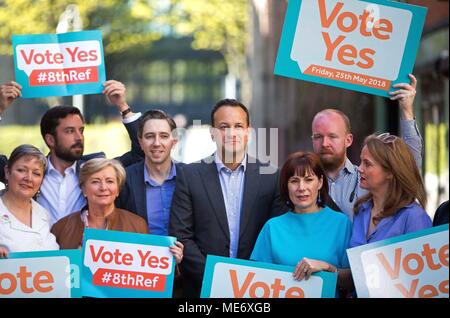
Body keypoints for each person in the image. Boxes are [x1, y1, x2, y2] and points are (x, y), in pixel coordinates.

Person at [169, 98, 285, 297]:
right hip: (202, 288)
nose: (231, 133)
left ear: (248, 132)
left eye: (238, 126)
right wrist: (215, 276)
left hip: (255, 288)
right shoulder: (189, 176)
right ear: (212, 133)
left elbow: (276, 235)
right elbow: (182, 235)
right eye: (223, 127)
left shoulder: (271, 177)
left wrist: (250, 279)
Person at [0, 80, 144, 224]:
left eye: (81, 131)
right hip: (37, 244)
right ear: (50, 140)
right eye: (69, 131)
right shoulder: (28, 172)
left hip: (84, 245)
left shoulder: (95, 169)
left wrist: (123, 107)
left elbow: (141, 154)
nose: (78, 137)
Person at [311, 74, 423, 220]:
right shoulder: (302, 183)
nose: (325, 143)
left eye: (332, 136)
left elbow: (409, 166)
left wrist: (406, 110)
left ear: (348, 140)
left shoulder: (367, 179)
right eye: (318, 137)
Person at [251, 152, 352, 297]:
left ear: (320, 182)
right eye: (294, 181)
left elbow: (353, 281)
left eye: (309, 180)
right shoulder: (272, 228)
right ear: (286, 186)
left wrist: (327, 267)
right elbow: (253, 280)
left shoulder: (342, 224)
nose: (301, 187)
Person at [50, 158, 183, 264]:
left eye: (110, 181)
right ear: (83, 189)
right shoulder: (61, 228)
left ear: (118, 189)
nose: (103, 187)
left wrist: (170, 261)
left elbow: (150, 274)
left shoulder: (137, 225)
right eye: (95, 181)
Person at [349, 133, 432, 248]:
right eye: (361, 161)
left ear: (390, 172)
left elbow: (424, 263)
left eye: (367, 164)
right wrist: (332, 267)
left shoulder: (413, 217)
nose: (359, 168)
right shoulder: (361, 209)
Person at [117, 109, 184, 235]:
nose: (156, 143)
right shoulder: (124, 180)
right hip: (136, 253)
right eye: (150, 136)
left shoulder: (191, 178)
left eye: (164, 136)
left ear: (174, 141)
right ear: (141, 142)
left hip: (183, 254)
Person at [0, 145, 59, 258]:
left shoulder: (44, 214)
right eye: (21, 170)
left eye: (36, 174)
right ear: (7, 172)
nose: (29, 178)